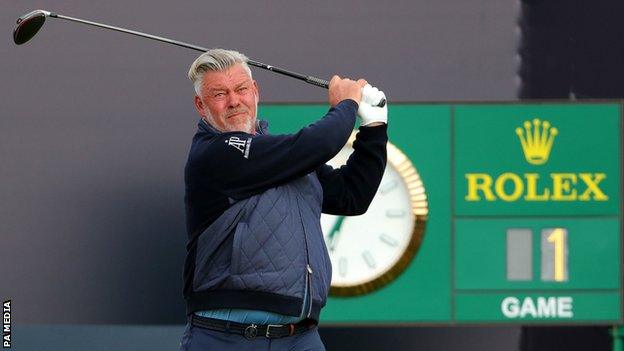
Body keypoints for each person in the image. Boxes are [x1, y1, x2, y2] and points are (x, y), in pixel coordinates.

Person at [179, 48, 388, 351]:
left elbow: (352, 195)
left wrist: (374, 129)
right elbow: (318, 143)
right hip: (226, 336)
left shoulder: (283, 159)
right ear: (201, 105)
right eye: (219, 94)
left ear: (256, 91)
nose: (234, 101)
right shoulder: (213, 152)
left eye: (241, 89)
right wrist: (346, 103)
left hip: (300, 337)